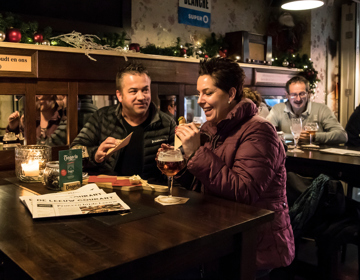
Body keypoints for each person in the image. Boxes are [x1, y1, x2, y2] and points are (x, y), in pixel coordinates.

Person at [164, 58, 294, 273]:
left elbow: (244, 192)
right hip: (219, 235)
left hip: (252, 243)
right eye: (198, 93)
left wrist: (196, 153)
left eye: (207, 93)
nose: (200, 100)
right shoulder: (210, 127)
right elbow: (200, 183)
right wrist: (180, 160)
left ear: (231, 94)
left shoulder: (260, 131)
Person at [70, 62, 176, 180]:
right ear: (119, 95)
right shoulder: (102, 117)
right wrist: (95, 154)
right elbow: (73, 153)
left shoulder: (167, 123)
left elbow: (179, 171)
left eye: (145, 90)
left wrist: (173, 155)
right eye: (133, 91)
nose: (141, 97)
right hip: (110, 192)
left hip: (151, 194)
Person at [266, 76, 347, 145]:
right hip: (288, 158)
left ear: (308, 94)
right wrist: (296, 137)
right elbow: (265, 133)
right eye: (294, 95)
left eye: (302, 94)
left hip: (317, 158)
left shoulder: (322, 109)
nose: (298, 99)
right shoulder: (277, 109)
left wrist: (315, 137)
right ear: (287, 95)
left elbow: (342, 136)